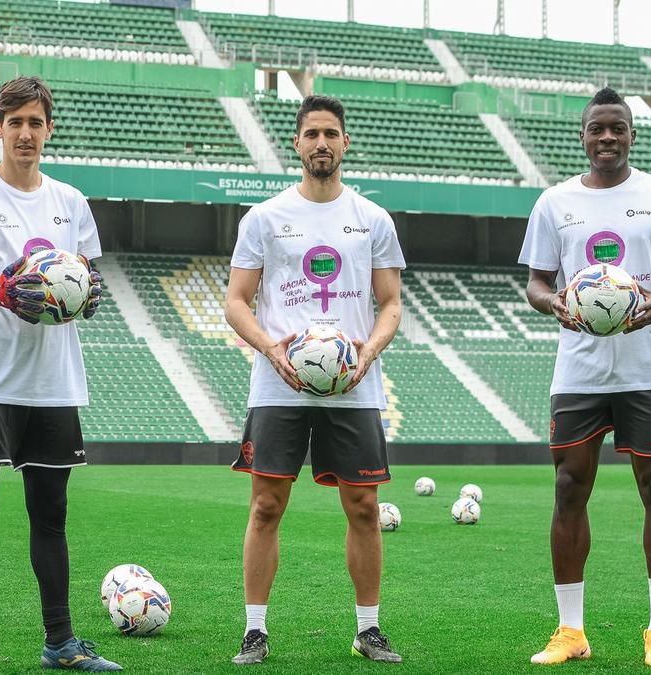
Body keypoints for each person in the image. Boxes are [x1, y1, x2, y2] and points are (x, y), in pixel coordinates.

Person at [0, 75, 119, 674]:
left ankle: (59, 643)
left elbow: (88, 282)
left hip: (53, 383)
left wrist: (87, 293)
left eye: (36, 123)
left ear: (48, 129)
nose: (26, 134)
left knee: (51, 515)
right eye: (16, 123)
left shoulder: (71, 203)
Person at [520, 87, 651, 669]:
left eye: (618, 128)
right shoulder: (554, 203)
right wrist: (556, 304)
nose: (608, 137)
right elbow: (535, 283)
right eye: (597, 128)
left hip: (649, 369)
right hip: (579, 372)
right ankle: (571, 630)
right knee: (568, 489)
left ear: (632, 134)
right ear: (583, 136)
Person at [224, 95, 406, 666]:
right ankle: (255, 630)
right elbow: (235, 301)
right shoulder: (264, 217)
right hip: (279, 382)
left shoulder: (373, 219)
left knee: (362, 507)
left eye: (331, 133)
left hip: (352, 384)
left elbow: (392, 303)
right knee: (266, 506)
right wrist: (272, 349)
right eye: (311, 134)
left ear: (345, 142)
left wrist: (367, 354)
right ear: (296, 143)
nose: (321, 143)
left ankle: (368, 629)